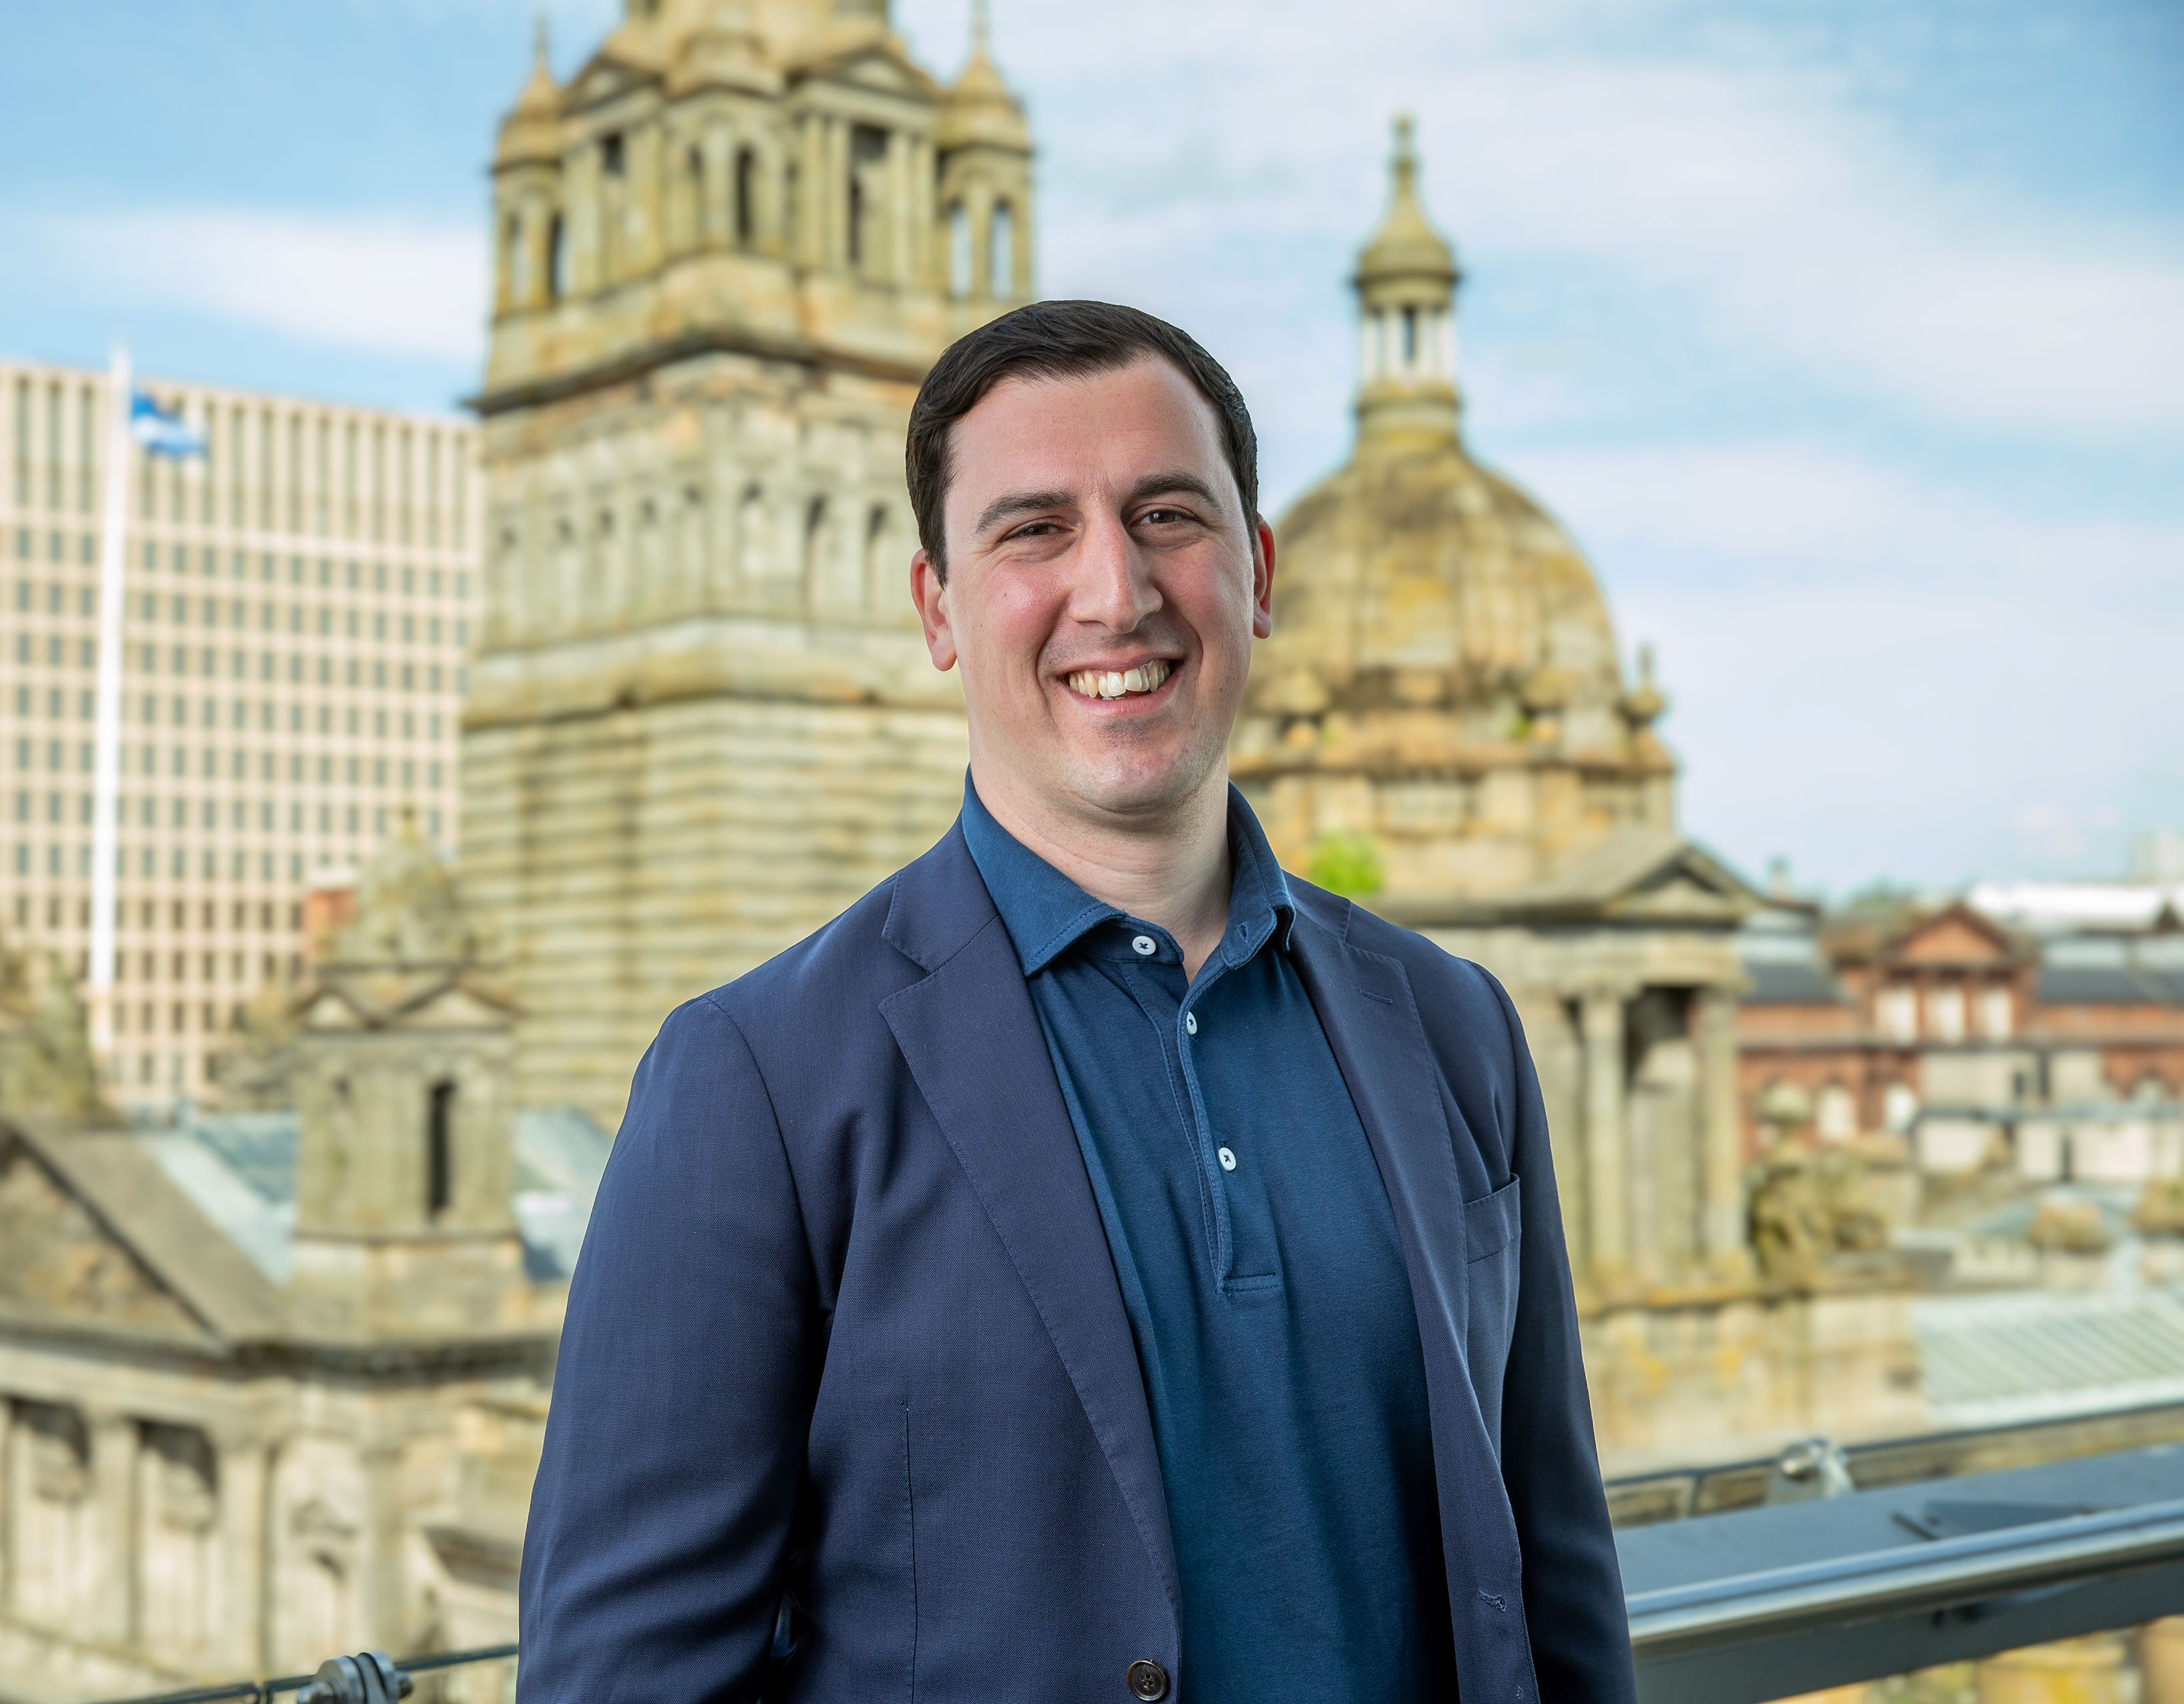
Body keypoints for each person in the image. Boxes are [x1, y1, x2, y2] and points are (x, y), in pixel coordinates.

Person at [518, 300, 1634, 1703]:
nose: (1117, 590)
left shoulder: (1454, 1022)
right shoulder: (757, 1074)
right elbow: (627, 1676)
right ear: (937, 607)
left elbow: (1556, 1577)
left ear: (1258, 570)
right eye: (1033, 529)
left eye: (1168, 513)